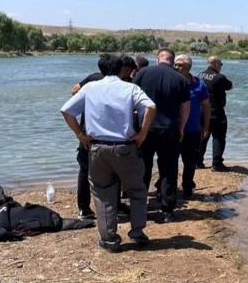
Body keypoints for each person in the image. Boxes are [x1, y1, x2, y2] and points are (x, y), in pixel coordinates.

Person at [60, 55, 156, 253]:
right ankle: (137, 232)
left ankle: (109, 239)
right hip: (124, 147)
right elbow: (151, 107)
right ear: (121, 68)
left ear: (100, 68)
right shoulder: (130, 88)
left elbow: (66, 110)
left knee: (103, 194)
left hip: (96, 148)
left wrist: (80, 134)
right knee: (137, 190)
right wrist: (143, 133)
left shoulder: (90, 87)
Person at [133, 48, 190, 223]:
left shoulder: (143, 72)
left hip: (146, 128)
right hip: (169, 129)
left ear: (158, 59)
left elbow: (131, 98)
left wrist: (133, 127)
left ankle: (140, 207)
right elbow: (185, 108)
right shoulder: (181, 78)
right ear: (172, 62)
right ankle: (168, 210)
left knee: (143, 168)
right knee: (168, 169)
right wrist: (181, 129)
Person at [70, 54, 112, 219]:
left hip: (87, 132)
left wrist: (85, 102)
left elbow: (74, 90)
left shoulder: (93, 78)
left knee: (85, 169)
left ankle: (83, 207)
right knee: (111, 170)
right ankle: (112, 206)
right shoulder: (121, 83)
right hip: (109, 133)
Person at [173, 54, 210, 198]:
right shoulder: (171, 81)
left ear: (188, 67)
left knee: (190, 161)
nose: (176, 67)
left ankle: (187, 186)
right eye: (175, 64)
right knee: (171, 161)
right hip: (173, 130)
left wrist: (206, 126)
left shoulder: (199, 84)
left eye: (180, 65)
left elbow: (206, 106)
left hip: (193, 129)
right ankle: (170, 187)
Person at [198, 56, 233, 171]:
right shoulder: (219, 77)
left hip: (202, 111)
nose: (221, 66)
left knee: (203, 136)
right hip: (216, 111)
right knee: (219, 137)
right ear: (216, 64)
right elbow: (230, 86)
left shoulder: (200, 75)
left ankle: (198, 162)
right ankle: (217, 163)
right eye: (221, 64)